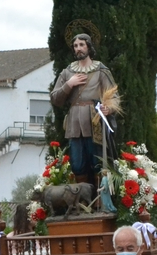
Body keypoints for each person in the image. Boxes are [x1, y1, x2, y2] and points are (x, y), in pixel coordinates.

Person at [50, 33, 118, 186]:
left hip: (94, 123)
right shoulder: (67, 72)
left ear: (88, 46)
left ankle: (99, 200)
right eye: (75, 46)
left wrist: (109, 108)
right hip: (74, 123)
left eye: (81, 45)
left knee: (97, 161)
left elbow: (114, 96)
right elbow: (55, 98)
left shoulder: (100, 70)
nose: (78, 48)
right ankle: (82, 198)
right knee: (77, 163)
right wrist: (69, 84)